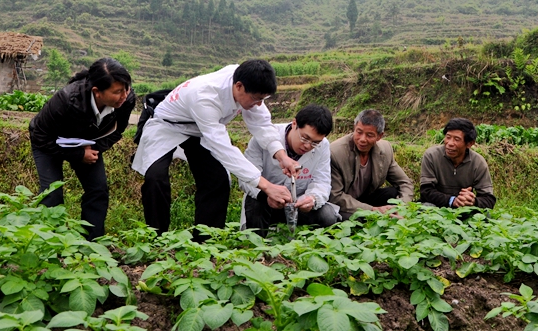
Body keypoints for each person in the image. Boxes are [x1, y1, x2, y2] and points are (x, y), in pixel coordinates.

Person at [132, 59, 296, 236]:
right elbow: (223, 149)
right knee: (155, 177)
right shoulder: (205, 96)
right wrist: (266, 186)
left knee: (218, 180)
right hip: (168, 125)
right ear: (239, 86)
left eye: (262, 100)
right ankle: (157, 238)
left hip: (200, 130)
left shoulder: (246, 80)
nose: (258, 104)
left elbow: (261, 124)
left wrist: (281, 156)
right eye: (256, 99)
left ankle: (205, 240)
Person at [29, 57, 136, 240]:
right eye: (117, 91)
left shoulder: (126, 100)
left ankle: (91, 243)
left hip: (86, 142)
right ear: (97, 92)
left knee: (98, 190)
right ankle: (49, 243)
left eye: (126, 88)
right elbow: (39, 135)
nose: (124, 95)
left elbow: (117, 131)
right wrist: (78, 154)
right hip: (49, 142)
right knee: (52, 192)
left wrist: (92, 149)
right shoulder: (66, 100)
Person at [240, 104, 340, 236]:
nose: (307, 146)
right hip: (266, 202)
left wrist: (312, 198)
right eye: (305, 138)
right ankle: (256, 244)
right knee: (255, 203)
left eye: (315, 143)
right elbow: (246, 178)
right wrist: (267, 194)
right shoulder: (264, 138)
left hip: (298, 205)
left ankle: (314, 245)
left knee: (328, 215)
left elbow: (322, 182)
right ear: (294, 124)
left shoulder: (323, 146)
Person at [329, 109, 414, 220]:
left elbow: (405, 182)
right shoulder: (336, 152)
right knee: (355, 219)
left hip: (367, 198)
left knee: (392, 193)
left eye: (369, 135)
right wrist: (372, 210)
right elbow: (335, 196)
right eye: (359, 132)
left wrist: (402, 207)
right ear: (354, 128)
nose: (362, 139)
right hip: (345, 204)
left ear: (379, 136)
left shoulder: (385, 150)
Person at [420, 118, 496, 209]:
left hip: (463, 209)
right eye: (448, 137)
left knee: (486, 215)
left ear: (469, 144)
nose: (450, 143)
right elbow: (426, 191)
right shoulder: (431, 156)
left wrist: (473, 201)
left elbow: (489, 199)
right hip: (438, 208)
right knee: (426, 207)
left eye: (457, 139)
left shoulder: (478, 163)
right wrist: (452, 201)